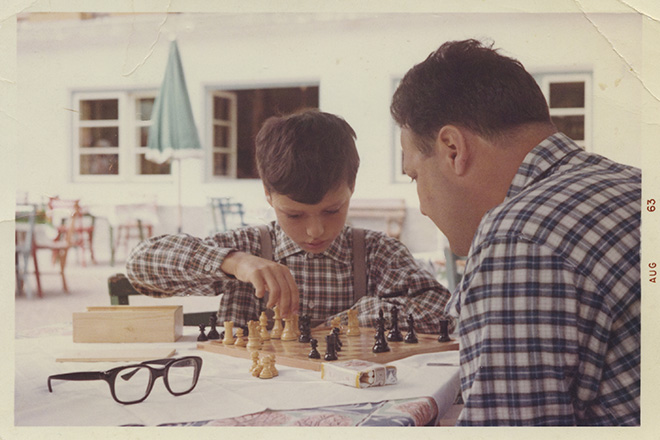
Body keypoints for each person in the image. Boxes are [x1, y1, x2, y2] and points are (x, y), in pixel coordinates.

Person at [391, 39, 640, 425]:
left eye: (415, 176)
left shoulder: (518, 240)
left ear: (453, 149)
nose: (422, 205)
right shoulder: (633, 184)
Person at [127, 109, 454, 334]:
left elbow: (440, 307)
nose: (315, 231)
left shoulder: (376, 253)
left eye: (332, 210)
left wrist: (348, 321)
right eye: (294, 215)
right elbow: (139, 265)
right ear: (268, 195)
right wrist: (233, 262)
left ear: (351, 188)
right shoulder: (248, 247)